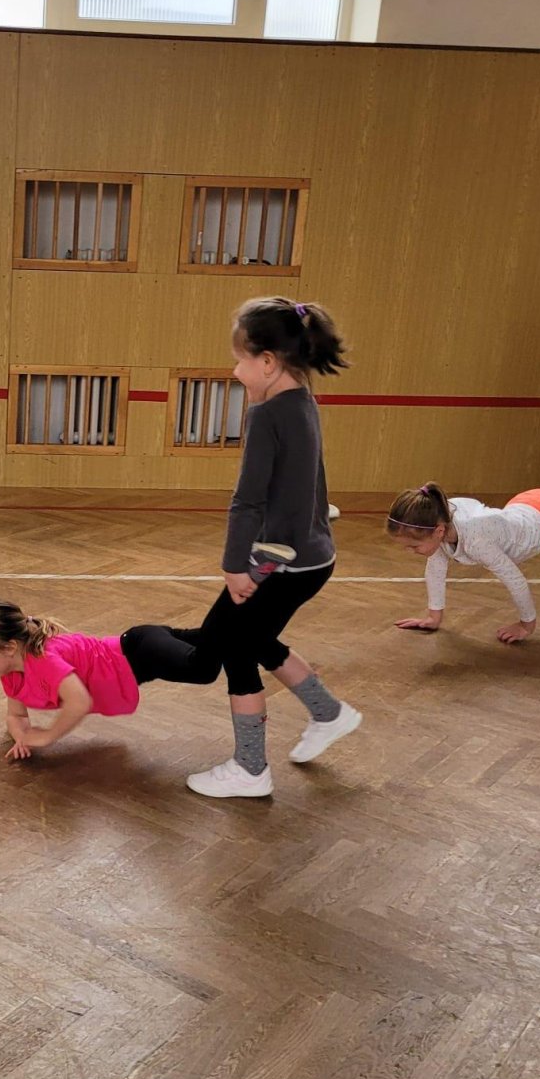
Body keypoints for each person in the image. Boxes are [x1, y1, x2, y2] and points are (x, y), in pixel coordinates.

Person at [185, 296, 361, 800]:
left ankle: (250, 768)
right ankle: (328, 713)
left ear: (267, 362)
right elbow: (305, 482)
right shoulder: (302, 400)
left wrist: (236, 567)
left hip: (282, 562)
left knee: (234, 647)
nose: (235, 370)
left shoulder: (266, 415)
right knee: (250, 638)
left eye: (239, 360)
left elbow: (248, 500)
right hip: (311, 557)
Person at [388, 443, 540, 643]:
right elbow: (436, 571)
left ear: (438, 531)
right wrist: (433, 617)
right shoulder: (441, 514)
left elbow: (515, 580)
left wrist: (527, 625)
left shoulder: (477, 542)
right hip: (531, 502)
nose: (410, 551)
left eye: (414, 546)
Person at [0, 598, 223, 759]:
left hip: (141, 648)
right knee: (220, 641)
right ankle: (242, 624)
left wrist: (47, 736)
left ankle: (235, 605)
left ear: (9, 648)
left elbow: (79, 702)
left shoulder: (43, 659)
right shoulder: (12, 676)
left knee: (203, 669)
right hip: (142, 655)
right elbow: (15, 716)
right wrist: (22, 736)